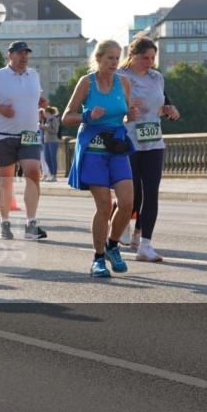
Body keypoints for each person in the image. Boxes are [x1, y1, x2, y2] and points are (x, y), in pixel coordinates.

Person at [63, 39, 139, 278]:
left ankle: (112, 245)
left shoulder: (123, 83)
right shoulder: (87, 83)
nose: (115, 63)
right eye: (110, 58)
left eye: (118, 58)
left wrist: (131, 115)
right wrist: (88, 115)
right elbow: (67, 117)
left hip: (116, 147)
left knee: (127, 203)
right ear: (98, 59)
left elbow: (125, 115)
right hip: (94, 150)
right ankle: (97, 259)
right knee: (104, 205)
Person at [118, 36, 180, 264]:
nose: (150, 62)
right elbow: (111, 106)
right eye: (145, 58)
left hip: (153, 141)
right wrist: (125, 112)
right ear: (132, 55)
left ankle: (145, 244)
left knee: (151, 192)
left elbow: (157, 106)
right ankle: (120, 221)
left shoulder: (157, 77)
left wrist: (168, 109)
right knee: (131, 194)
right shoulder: (120, 77)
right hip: (128, 140)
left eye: (153, 58)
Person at [0, 41, 49, 241]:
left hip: (29, 134)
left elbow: (37, 95)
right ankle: (5, 223)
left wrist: (42, 102)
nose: (24, 57)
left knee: (33, 174)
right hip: (3, 135)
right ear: (9, 55)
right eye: (20, 53)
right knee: (6, 180)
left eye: (27, 54)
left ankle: (31, 223)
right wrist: (0, 109)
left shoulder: (34, 75)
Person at [41, 106, 61, 181]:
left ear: (48, 112)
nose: (44, 114)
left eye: (45, 113)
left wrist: (46, 128)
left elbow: (55, 131)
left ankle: (54, 175)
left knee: (53, 158)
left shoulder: (54, 119)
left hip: (53, 141)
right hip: (46, 141)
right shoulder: (47, 120)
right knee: (47, 158)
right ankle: (51, 174)